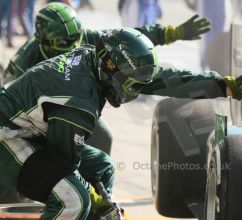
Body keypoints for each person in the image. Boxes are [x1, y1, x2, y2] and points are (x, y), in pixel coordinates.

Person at [0, 27, 242, 220]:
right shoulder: (78, 104)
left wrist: (226, 86)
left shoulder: (95, 59)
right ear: (112, 69)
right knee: (75, 200)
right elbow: (62, 164)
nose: (135, 91)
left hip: (27, 130)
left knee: (102, 167)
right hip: (7, 137)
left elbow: (165, 80)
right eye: (133, 84)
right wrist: (103, 206)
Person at [1, 2, 211, 155]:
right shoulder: (24, 59)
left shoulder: (88, 36)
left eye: (77, 38)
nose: (74, 46)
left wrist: (172, 33)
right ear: (43, 40)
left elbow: (131, 39)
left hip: (75, 105)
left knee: (104, 137)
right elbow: (8, 94)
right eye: (66, 42)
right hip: (36, 114)